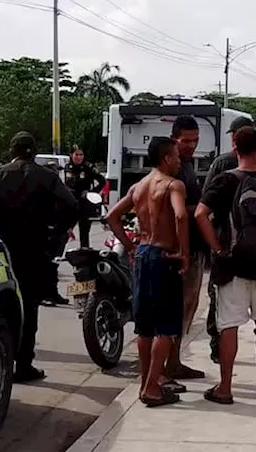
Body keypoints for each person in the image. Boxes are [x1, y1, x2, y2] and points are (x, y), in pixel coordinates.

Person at [195, 125, 256, 405]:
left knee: (229, 327)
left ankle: (225, 388)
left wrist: (217, 248)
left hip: (232, 266)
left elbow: (200, 214)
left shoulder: (225, 181)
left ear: (235, 149)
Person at [0, 132, 80, 382]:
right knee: (29, 309)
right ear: (33, 151)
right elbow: (71, 206)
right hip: (36, 250)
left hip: (2, 251)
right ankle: (23, 365)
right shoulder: (47, 177)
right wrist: (55, 235)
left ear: (13, 151)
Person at [105, 136, 189, 408]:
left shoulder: (139, 187)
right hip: (165, 256)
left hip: (143, 254)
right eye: (176, 156)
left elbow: (112, 218)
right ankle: (152, 388)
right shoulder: (173, 185)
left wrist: (131, 247)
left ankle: (145, 383)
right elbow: (180, 216)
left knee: (145, 327)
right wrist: (183, 253)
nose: (179, 161)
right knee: (165, 327)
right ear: (166, 158)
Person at [203, 116, 256, 364]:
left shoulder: (222, 166)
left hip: (230, 258)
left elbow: (202, 211)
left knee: (226, 319)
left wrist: (216, 249)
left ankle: (221, 368)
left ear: (235, 142)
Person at [166, 115, 207, 381]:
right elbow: (175, 212)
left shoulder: (187, 165)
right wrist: (203, 209)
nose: (191, 145)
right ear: (174, 139)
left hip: (192, 247)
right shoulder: (172, 169)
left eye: (195, 140)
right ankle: (166, 368)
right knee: (175, 309)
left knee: (188, 307)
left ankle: (175, 361)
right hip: (180, 249)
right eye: (186, 141)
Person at [65, 146, 106, 249]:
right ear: (71, 155)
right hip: (71, 203)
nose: (79, 157)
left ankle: (84, 254)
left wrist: (92, 192)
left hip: (84, 204)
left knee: (84, 232)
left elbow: (102, 181)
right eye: (76, 154)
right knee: (65, 229)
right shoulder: (67, 167)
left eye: (81, 155)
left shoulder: (88, 167)